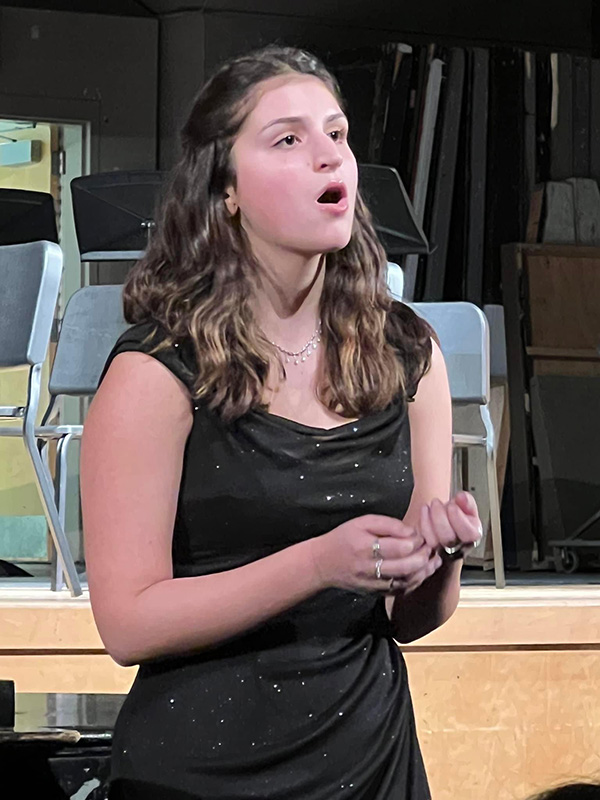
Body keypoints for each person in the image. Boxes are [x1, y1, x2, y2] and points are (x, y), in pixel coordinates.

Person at [80, 45, 483, 800]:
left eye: (337, 134)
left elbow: (409, 619)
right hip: (201, 773)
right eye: (289, 140)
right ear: (225, 187)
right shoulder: (157, 371)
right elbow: (128, 624)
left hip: (372, 764)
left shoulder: (407, 352)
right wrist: (319, 564)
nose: (328, 156)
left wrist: (441, 557)